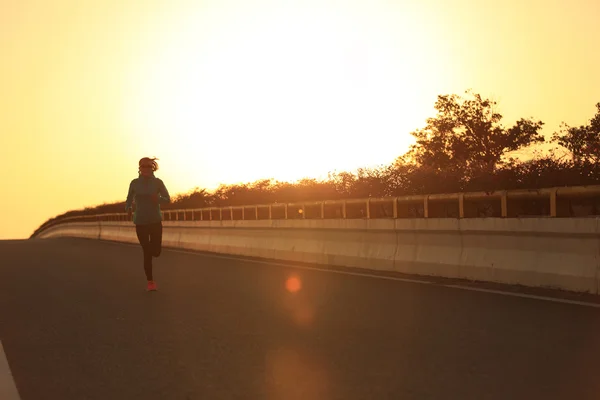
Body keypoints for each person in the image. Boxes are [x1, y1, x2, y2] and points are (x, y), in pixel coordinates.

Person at [125, 157, 171, 291]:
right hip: (140, 222)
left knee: (156, 252)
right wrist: (128, 208)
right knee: (146, 251)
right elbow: (128, 199)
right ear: (139, 168)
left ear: (152, 168)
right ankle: (150, 281)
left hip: (155, 221)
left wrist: (158, 199)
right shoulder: (134, 183)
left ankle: (152, 252)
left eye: (148, 167)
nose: (146, 169)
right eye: (143, 166)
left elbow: (168, 199)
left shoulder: (157, 183)